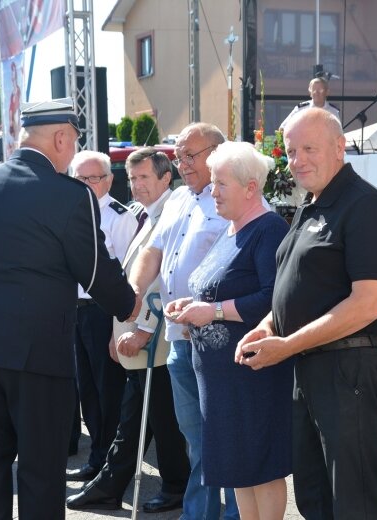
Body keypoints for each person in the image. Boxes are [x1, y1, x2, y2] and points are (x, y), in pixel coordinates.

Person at [0, 98, 138, 520]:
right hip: (37, 355)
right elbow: (94, 271)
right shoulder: (69, 195)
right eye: (73, 143)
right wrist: (129, 303)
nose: (72, 153)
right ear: (61, 137)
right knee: (40, 470)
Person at [237, 107, 377, 520]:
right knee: (314, 498)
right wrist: (266, 326)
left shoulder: (364, 205)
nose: (298, 160)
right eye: (291, 151)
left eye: (309, 148)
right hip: (308, 367)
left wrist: (287, 344)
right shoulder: (311, 205)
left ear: (339, 147)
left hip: (348, 368)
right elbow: (298, 289)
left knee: (353, 503)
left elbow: (369, 303)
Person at [166, 141, 291, 519]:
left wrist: (215, 310)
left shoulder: (268, 229)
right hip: (221, 380)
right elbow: (219, 286)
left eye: (221, 184)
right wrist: (191, 307)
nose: (212, 191)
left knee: (259, 469)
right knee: (237, 468)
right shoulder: (232, 228)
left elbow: (275, 298)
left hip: (250, 374)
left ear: (251, 187)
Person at [67, 147, 190, 513]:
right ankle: (111, 482)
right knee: (135, 416)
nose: (136, 186)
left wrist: (144, 330)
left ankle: (173, 485)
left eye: (144, 178)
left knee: (161, 419)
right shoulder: (146, 213)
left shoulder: (172, 213)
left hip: (157, 337)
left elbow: (164, 282)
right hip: (132, 333)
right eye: (132, 179)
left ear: (166, 178)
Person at [129, 123, 240, 520]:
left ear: (217, 152)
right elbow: (152, 252)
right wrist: (135, 292)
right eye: (178, 156)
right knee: (197, 441)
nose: (182, 164)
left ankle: (235, 514)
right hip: (179, 339)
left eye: (190, 155)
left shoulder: (231, 198)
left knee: (225, 437)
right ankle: (201, 515)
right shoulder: (177, 198)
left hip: (218, 337)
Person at [67, 150, 137, 483]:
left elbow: (126, 275)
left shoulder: (119, 217)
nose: (86, 184)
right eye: (79, 178)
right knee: (86, 390)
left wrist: (117, 325)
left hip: (101, 313)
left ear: (109, 180)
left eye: (93, 178)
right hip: (72, 311)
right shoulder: (69, 213)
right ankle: (97, 455)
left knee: (108, 390)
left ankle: (109, 463)